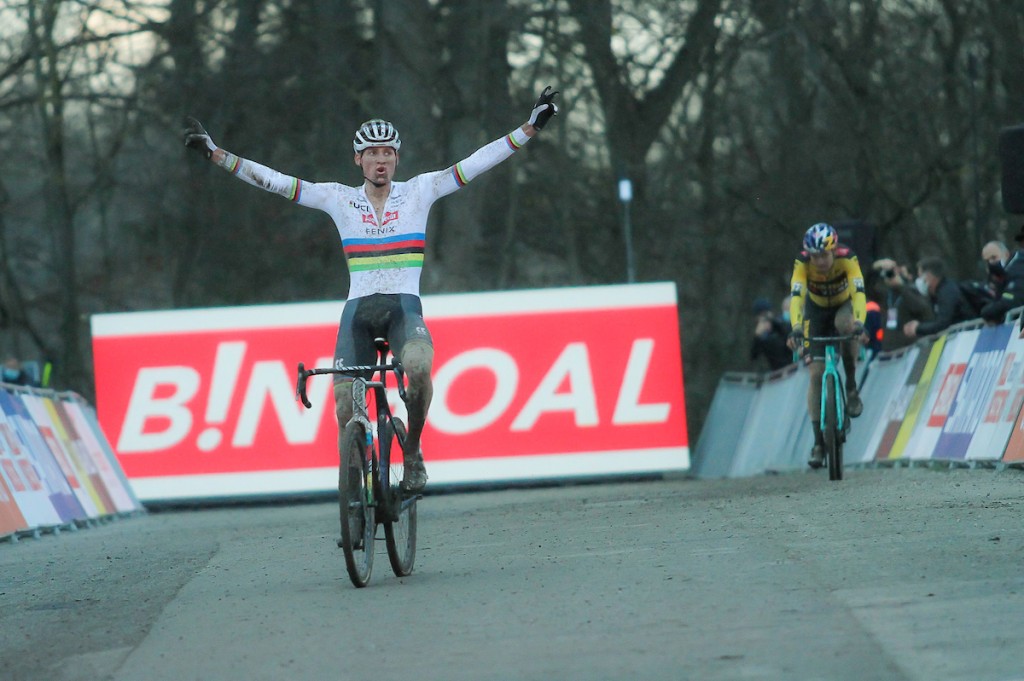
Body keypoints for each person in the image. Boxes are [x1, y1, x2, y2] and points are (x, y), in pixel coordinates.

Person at [184, 87, 561, 492]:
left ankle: (412, 452)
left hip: (403, 308)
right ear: (358, 160)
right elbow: (275, 182)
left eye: (387, 153)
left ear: (397, 158)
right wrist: (216, 154)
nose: (380, 161)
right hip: (358, 313)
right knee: (345, 405)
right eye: (372, 154)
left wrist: (529, 128)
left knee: (417, 368)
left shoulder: (422, 190)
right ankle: (352, 481)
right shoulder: (337, 198)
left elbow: (477, 162)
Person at [785, 223, 868, 469]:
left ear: (834, 250)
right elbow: (797, 298)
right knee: (816, 375)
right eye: (814, 256)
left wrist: (860, 323)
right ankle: (818, 443)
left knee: (847, 326)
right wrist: (797, 327)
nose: (819, 261)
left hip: (843, 307)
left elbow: (859, 293)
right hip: (816, 311)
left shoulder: (848, 259)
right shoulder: (802, 264)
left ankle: (851, 386)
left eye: (823, 255)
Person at [903, 256, 974, 339]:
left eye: (920, 276)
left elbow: (942, 324)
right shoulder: (937, 294)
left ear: (929, 276)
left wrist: (918, 328)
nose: (918, 280)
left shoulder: (947, 293)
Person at [871, 257, 933, 351]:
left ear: (910, 275)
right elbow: (869, 286)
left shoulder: (915, 290)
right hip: (890, 349)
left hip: (910, 349)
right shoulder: (887, 294)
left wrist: (901, 287)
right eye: (893, 272)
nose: (895, 275)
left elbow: (922, 309)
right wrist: (877, 266)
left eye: (900, 272)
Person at [980, 228, 1024, 324]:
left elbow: (1013, 300)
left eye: (994, 257)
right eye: (987, 261)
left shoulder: (1018, 267)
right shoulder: (999, 277)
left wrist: (988, 311)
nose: (991, 263)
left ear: (1006, 254)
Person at [750, 297, 792, 371]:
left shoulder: (780, 324)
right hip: (777, 373)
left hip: (793, 367)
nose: (764, 318)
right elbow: (754, 356)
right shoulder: (762, 335)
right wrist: (757, 337)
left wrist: (773, 322)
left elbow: (787, 333)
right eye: (761, 315)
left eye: (765, 314)